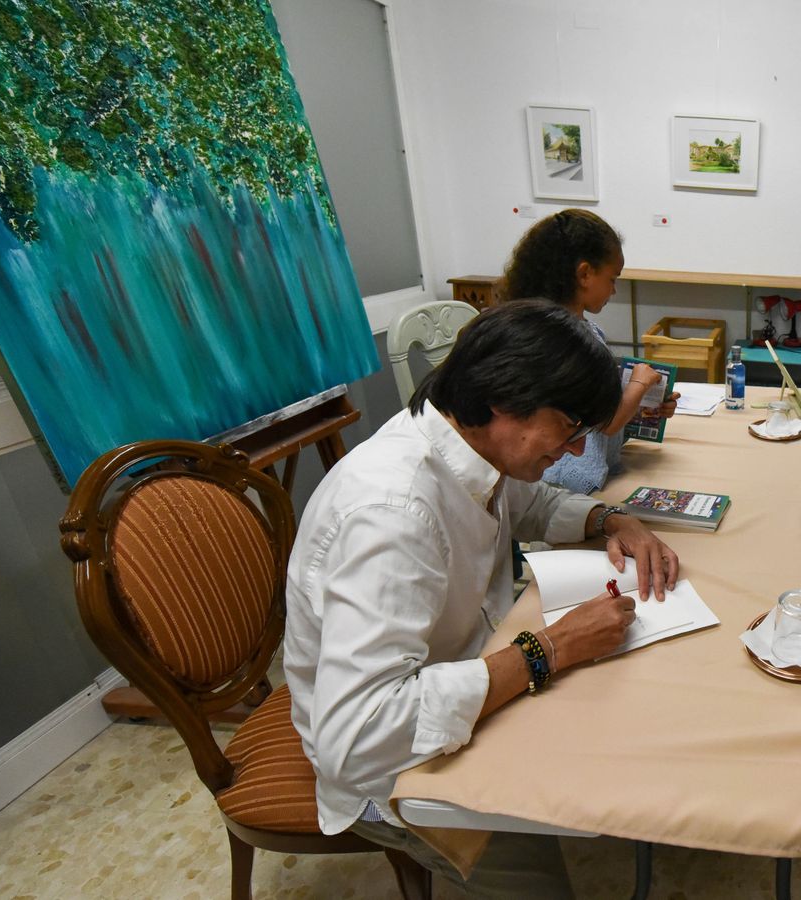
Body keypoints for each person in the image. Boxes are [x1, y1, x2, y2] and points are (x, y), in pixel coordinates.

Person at [284, 299, 681, 898]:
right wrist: (546, 650)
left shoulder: (466, 445)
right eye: (569, 427)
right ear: (505, 398)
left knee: (619, 727)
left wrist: (609, 517)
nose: (576, 450)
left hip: (463, 669)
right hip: (390, 769)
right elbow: (359, 738)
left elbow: (532, 504)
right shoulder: (393, 515)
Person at [502, 208, 678, 495]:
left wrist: (645, 405)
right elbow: (605, 422)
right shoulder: (561, 341)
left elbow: (598, 412)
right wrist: (639, 384)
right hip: (564, 484)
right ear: (584, 274)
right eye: (612, 279)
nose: (614, 290)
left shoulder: (584, 331)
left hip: (592, 473)